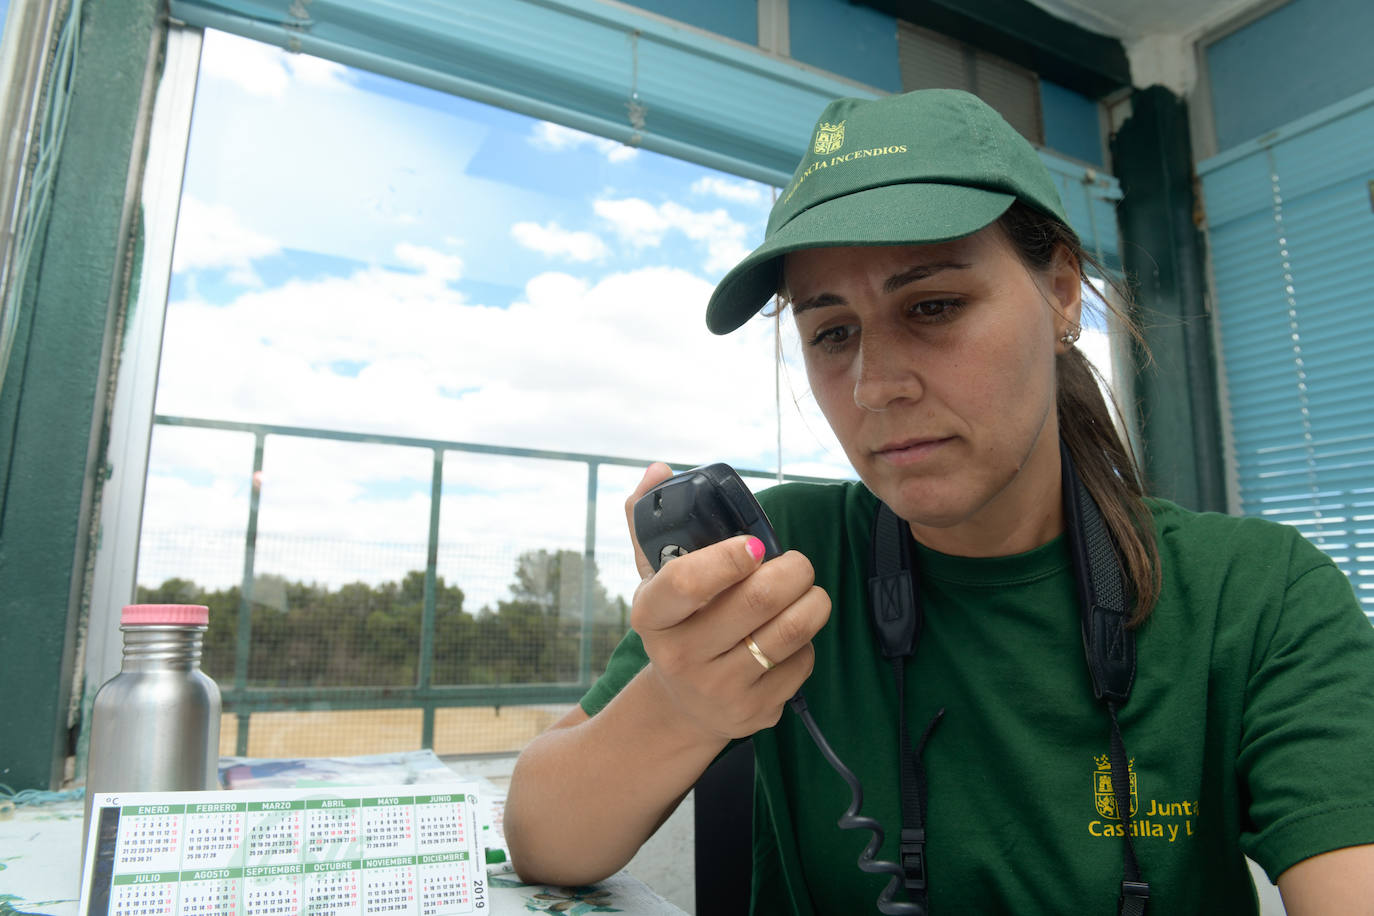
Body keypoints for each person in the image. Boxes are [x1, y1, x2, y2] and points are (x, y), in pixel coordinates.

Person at [504, 89, 1374, 913]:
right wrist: (684, 703)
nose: (876, 385)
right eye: (832, 331)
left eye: (934, 305)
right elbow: (544, 840)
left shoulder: (1256, 596)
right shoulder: (785, 565)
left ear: (1062, 291)